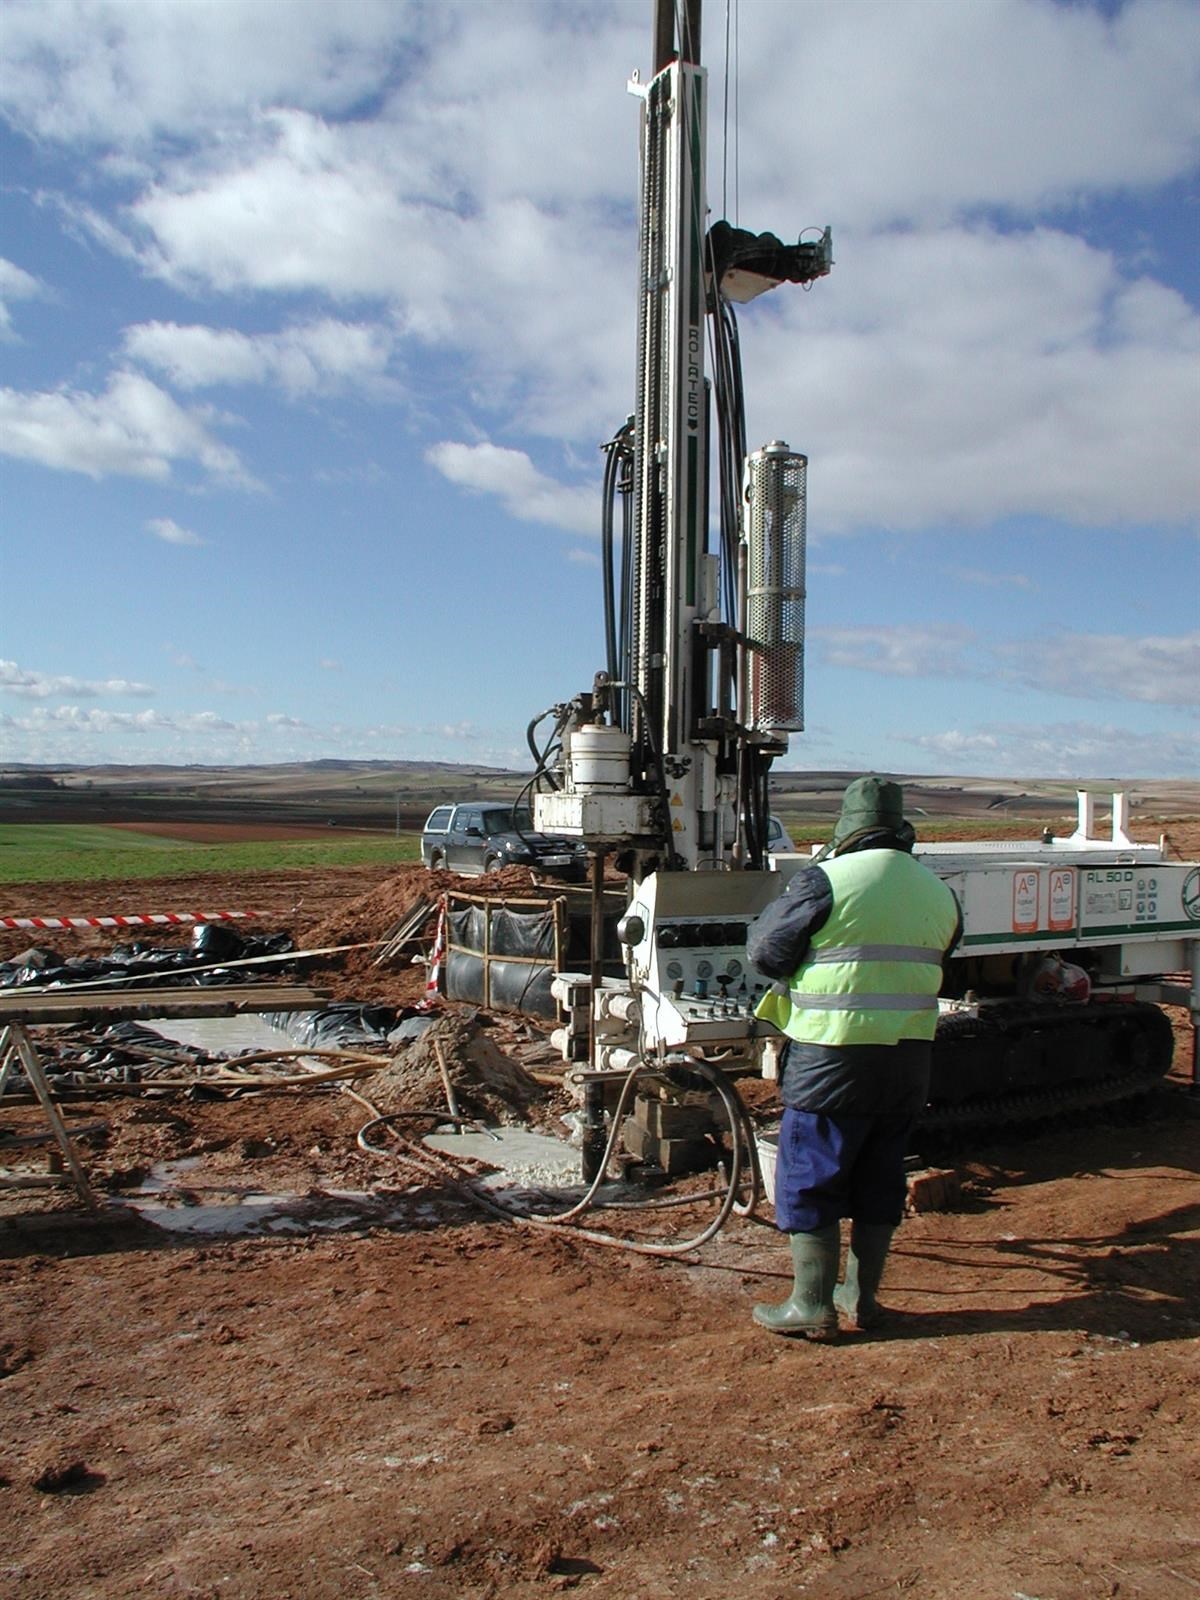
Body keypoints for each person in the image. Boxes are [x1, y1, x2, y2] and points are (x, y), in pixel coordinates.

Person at [747, 776, 961, 1340]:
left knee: (811, 1176)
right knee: (880, 1176)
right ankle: (862, 1300)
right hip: (907, 1060)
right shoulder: (938, 891)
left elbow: (766, 953)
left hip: (832, 1059)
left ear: (846, 826)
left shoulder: (827, 880)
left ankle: (811, 1304)